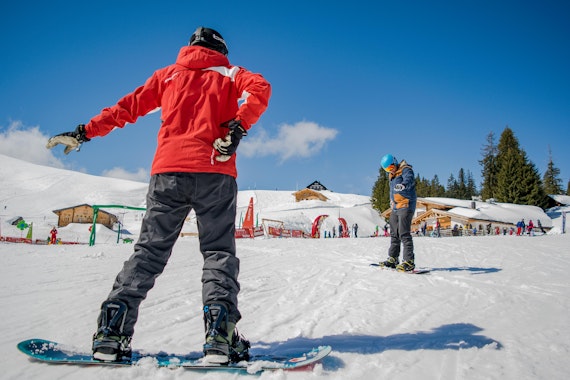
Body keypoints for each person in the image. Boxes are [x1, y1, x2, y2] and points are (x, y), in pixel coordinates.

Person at [46, 27, 271, 364]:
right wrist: (238, 127)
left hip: (167, 173)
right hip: (216, 172)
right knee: (218, 252)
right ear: (221, 50)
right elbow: (260, 88)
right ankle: (219, 339)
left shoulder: (167, 76)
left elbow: (127, 108)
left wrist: (84, 132)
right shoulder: (229, 73)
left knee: (149, 252)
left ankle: (111, 333)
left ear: (190, 47)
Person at [378, 154, 417, 271]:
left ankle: (409, 261)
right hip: (396, 207)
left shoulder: (405, 169)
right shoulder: (392, 176)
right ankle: (393, 258)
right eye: (386, 169)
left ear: (394, 162)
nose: (389, 170)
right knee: (394, 233)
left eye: (390, 167)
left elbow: (409, 179)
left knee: (404, 233)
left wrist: (403, 185)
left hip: (406, 204)